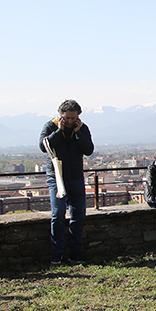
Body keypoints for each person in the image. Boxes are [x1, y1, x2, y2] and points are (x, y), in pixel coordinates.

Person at [38, 99, 95, 265]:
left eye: (73, 118)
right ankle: (57, 254)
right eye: (67, 118)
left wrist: (78, 133)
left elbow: (89, 150)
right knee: (58, 215)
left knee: (78, 216)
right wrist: (59, 130)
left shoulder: (82, 128)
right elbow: (44, 146)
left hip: (76, 177)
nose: (70, 121)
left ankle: (75, 253)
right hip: (57, 178)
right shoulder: (50, 126)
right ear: (60, 115)